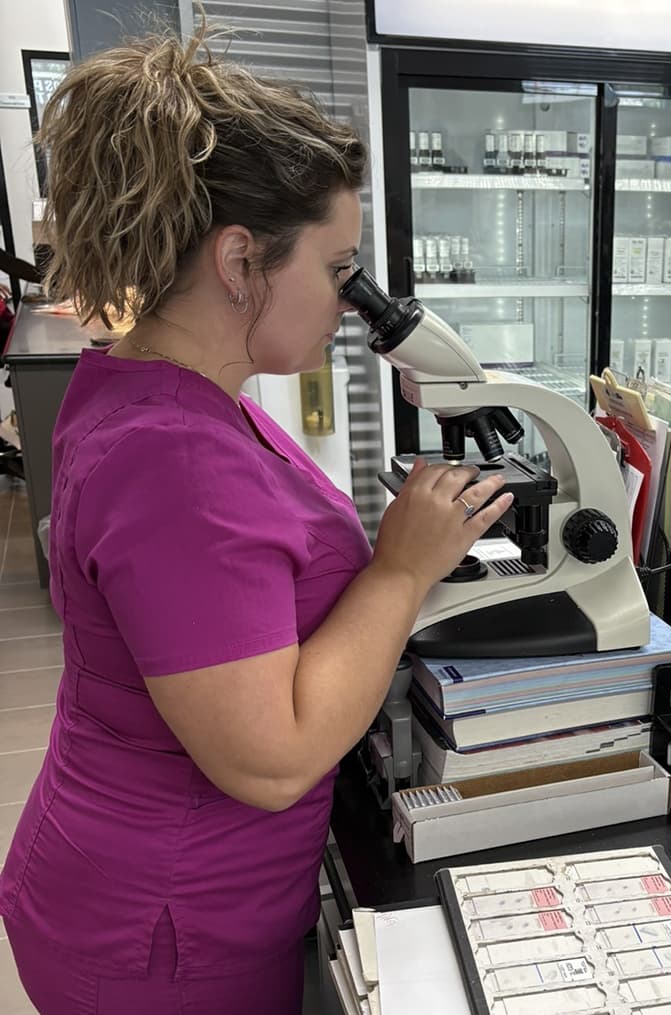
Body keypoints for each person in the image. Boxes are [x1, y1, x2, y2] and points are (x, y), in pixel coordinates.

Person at [0, 26, 512, 1015]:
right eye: (338, 268)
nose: (351, 304)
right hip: (165, 929)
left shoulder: (160, 387)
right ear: (239, 259)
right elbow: (269, 758)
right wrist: (400, 571)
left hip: (151, 878)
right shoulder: (176, 461)